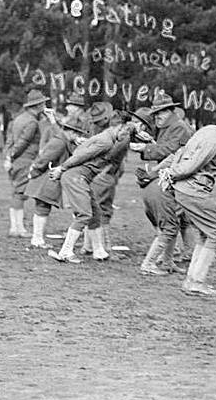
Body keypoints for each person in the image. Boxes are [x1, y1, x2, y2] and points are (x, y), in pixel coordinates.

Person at [154, 103, 216, 296]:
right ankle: (196, 281)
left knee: (205, 233)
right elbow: (190, 166)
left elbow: (203, 163)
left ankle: (192, 280)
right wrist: (171, 174)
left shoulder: (211, 130)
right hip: (193, 189)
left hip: (186, 189)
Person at [47, 107, 141, 263]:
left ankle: (99, 251)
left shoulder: (107, 136)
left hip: (79, 177)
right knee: (84, 214)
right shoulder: (105, 141)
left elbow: (82, 150)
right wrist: (61, 169)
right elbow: (79, 156)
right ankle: (65, 251)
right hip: (76, 177)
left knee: (95, 213)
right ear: (119, 126)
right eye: (125, 131)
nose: (126, 136)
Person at [134, 94, 196, 275]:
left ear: (170, 111)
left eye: (159, 113)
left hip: (174, 179)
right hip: (167, 179)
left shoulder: (179, 127)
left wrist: (145, 148)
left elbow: (171, 152)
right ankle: (164, 261)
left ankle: (167, 260)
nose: (156, 117)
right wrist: (148, 143)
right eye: (155, 113)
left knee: (173, 223)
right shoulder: (169, 126)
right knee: (172, 223)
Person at [27, 117, 88, 248]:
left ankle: (36, 239)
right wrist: (34, 172)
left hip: (46, 178)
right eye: (77, 133)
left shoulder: (63, 140)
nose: (78, 136)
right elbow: (44, 159)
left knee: (43, 207)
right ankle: (37, 239)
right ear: (70, 131)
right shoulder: (59, 142)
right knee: (42, 207)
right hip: (45, 179)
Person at [4, 89, 49, 235]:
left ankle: (15, 227)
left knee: (17, 192)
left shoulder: (19, 118)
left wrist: (8, 157)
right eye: (43, 103)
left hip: (17, 160)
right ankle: (18, 228)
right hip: (25, 160)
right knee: (20, 194)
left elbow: (10, 140)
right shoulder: (32, 122)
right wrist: (11, 156)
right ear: (38, 105)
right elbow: (22, 142)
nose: (44, 106)